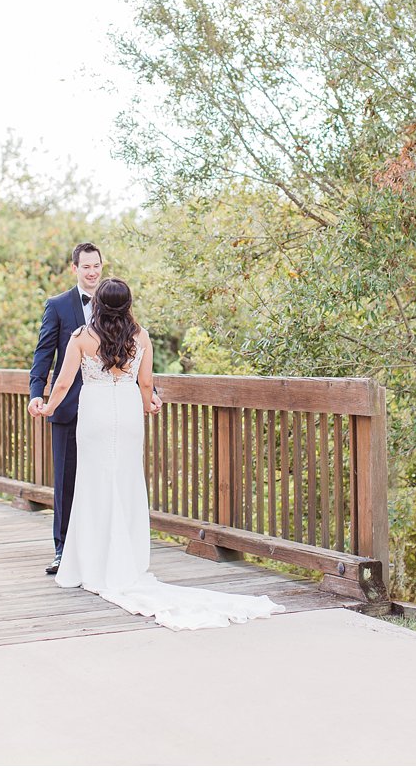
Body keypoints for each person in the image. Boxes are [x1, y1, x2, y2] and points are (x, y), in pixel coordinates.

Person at [38, 277, 285, 631]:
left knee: (92, 484)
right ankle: (127, 562)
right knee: (126, 481)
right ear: (127, 304)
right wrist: (149, 404)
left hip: (93, 415)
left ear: (99, 305)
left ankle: (89, 563)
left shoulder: (81, 337)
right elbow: (145, 383)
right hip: (126, 413)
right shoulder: (140, 336)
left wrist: (48, 410)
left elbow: (62, 383)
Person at [28, 242, 105, 575]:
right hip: (66, 407)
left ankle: (98, 547)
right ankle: (62, 549)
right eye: (86, 267)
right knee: (66, 480)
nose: (92, 272)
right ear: (74, 269)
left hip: (104, 408)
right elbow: (44, 354)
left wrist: (152, 390)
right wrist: (37, 392)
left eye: (97, 266)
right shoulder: (57, 305)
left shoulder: (113, 303)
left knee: (102, 479)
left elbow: (132, 351)